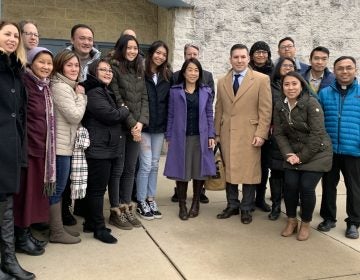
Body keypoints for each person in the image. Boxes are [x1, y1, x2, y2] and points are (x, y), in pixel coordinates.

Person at [215, 44, 272, 224]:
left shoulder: (261, 80)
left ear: (249, 59)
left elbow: (266, 109)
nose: (239, 60)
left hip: (250, 133)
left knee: (249, 172)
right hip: (227, 133)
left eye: (242, 57)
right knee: (229, 170)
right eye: (235, 57)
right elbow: (219, 109)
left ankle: (247, 207)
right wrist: (216, 133)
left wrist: (261, 133)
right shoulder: (222, 81)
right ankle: (232, 204)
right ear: (230, 59)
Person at [273, 71, 332, 241]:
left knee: (306, 187)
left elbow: (317, 134)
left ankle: (305, 223)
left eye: (294, 84)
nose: (290, 87)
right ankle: (292, 220)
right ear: (282, 87)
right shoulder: (280, 105)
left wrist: (301, 157)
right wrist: (288, 154)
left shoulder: (311, 103)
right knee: (290, 185)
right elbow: (279, 133)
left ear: (301, 85)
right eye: (286, 84)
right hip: (293, 153)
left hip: (317, 152)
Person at [0, 20, 35, 280]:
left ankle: (8, 261)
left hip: (11, 146)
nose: (12, 39)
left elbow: (19, 113)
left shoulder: (17, 69)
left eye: (15, 35)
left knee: (6, 205)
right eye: (6, 34)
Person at [81, 59, 129, 243]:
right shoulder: (94, 92)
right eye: (103, 70)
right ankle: (99, 229)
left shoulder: (104, 90)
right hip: (99, 148)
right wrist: (124, 109)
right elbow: (112, 115)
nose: (108, 72)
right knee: (97, 190)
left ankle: (90, 223)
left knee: (96, 189)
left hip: (106, 147)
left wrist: (120, 110)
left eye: (110, 70)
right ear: (94, 72)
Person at [13, 47, 54, 256]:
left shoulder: (46, 87)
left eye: (49, 63)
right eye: (41, 62)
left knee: (34, 196)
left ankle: (26, 231)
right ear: (30, 63)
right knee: (24, 196)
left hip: (43, 150)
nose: (46, 67)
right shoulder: (24, 83)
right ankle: (20, 236)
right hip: (27, 149)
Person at [164, 58, 216, 220]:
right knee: (182, 172)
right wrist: (169, 135)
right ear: (184, 72)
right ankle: (182, 205)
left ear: (199, 73)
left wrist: (211, 135)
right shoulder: (175, 91)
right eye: (190, 70)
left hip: (200, 137)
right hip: (181, 137)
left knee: (198, 172)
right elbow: (171, 114)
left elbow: (209, 114)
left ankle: (196, 203)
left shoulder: (205, 91)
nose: (193, 73)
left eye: (196, 70)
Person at [108, 34, 148, 229]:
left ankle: (126, 206)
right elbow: (117, 99)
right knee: (118, 170)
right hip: (121, 128)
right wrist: (133, 125)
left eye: (135, 48)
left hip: (136, 128)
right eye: (128, 48)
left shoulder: (140, 68)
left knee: (131, 169)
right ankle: (115, 210)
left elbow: (144, 99)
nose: (132, 51)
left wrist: (141, 123)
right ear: (121, 48)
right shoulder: (113, 67)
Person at [318, 56, 360, 239]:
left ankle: (353, 222)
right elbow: (318, 121)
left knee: (354, 188)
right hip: (330, 149)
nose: (344, 71)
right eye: (340, 68)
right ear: (334, 71)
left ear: (355, 70)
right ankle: (328, 218)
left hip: (354, 149)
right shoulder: (325, 93)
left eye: (348, 68)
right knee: (328, 185)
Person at [62, 23, 101, 226]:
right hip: (70, 118)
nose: (86, 42)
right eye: (82, 38)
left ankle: (83, 205)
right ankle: (66, 209)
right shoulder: (63, 59)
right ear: (72, 40)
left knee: (87, 164)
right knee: (68, 167)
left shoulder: (99, 59)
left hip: (92, 119)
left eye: (89, 38)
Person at [50, 49, 87, 244]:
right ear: (60, 66)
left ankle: (58, 227)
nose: (74, 69)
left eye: (76, 65)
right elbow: (74, 115)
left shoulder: (69, 86)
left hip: (67, 145)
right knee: (57, 189)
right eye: (69, 65)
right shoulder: (61, 87)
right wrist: (82, 96)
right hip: (60, 147)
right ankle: (56, 231)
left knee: (61, 188)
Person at [136, 41, 172, 220]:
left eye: (164, 54)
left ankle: (151, 198)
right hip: (144, 126)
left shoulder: (167, 75)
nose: (160, 57)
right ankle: (141, 200)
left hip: (159, 127)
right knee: (146, 164)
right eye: (158, 53)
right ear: (151, 53)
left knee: (155, 164)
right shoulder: (141, 73)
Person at [267, 57, 297, 220]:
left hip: (295, 136)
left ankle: (291, 207)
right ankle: (276, 206)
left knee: (292, 173)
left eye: (291, 65)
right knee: (277, 172)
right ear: (278, 67)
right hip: (276, 135)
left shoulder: (299, 85)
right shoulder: (270, 86)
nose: (287, 68)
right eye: (284, 65)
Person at [249, 41, 274, 212]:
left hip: (267, 123)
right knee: (250, 163)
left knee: (264, 164)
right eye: (257, 52)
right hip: (248, 122)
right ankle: (248, 199)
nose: (260, 55)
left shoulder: (274, 72)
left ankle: (260, 198)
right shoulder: (246, 71)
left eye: (264, 52)